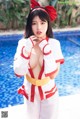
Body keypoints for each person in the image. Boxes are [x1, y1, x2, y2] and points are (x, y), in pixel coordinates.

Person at [13, 0, 64, 119]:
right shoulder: (23, 43)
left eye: (42, 22)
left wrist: (46, 50)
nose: (38, 27)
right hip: (29, 94)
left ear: (48, 24)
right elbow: (18, 72)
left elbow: (53, 74)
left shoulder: (54, 44)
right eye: (34, 23)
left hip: (49, 93)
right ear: (29, 25)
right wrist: (26, 50)